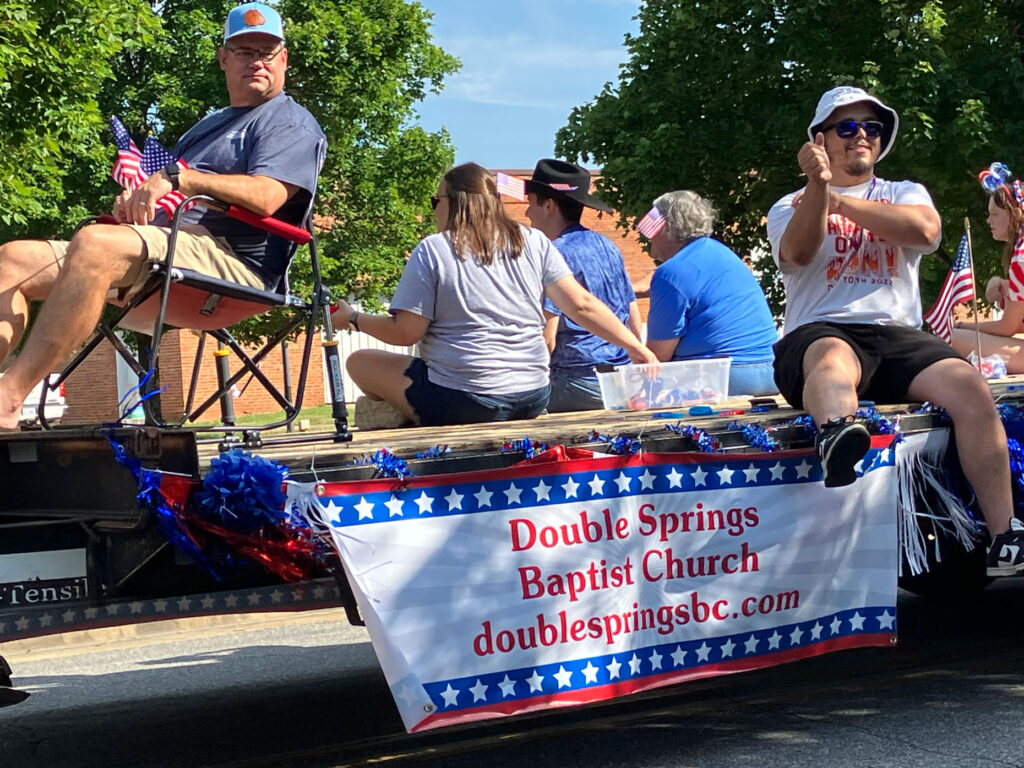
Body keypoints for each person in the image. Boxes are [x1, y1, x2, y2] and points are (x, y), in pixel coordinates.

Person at [0, 2, 325, 429]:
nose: (257, 61)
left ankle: (8, 398)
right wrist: (136, 204)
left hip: (235, 264)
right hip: (171, 247)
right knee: (14, 259)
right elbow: (170, 194)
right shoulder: (209, 126)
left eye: (267, 51)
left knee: (95, 244)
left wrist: (182, 178)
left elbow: (266, 197)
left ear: (283, 58)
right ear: (224, 58)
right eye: (245, 52)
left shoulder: (289, 123)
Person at [767, 84, 1024, 577]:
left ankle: (1005, 533)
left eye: (872, 127)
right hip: (823, 328)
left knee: (970, 385)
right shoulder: (791, 204)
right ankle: (838, 438)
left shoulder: (904, 192)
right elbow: (798, 254)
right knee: (831, 359)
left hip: (897, 333)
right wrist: (820, 190)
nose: (860, 136)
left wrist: (841, 205)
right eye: (846, 127)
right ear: (819, 140)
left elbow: (925, 233)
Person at [335, 162, 657, 427]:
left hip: (465, 400)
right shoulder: (534, 242)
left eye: (436, 201)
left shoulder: (433, 250)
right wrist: (635, 347)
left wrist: (353, 318)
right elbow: (582, 305)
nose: (434, 211)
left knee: (358, 362)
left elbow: (406, 332)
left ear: (455, 202)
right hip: (533, 395)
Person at [523, 159, 640, 412]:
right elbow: (632, 312)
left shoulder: (553, 254)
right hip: (622, 379)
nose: (527, 213)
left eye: (530, 202)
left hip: (574, 382)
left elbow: (547, 339)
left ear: (549, 205)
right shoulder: (608, 246)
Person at [644, 190, 779, 397]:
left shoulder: (670, 273)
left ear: (667, 228)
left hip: (723, 378)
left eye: (653, 230)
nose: (649, 241)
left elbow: (656, 357)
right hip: (772, 371)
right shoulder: (724, 254)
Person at [950, 164, 1024, 371]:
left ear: (1015, 214)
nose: (988, 220)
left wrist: (962, 325)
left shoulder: (1021, 259)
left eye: (995, 214)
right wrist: (1002, 283)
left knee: (950, 336)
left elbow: (1007, 327)